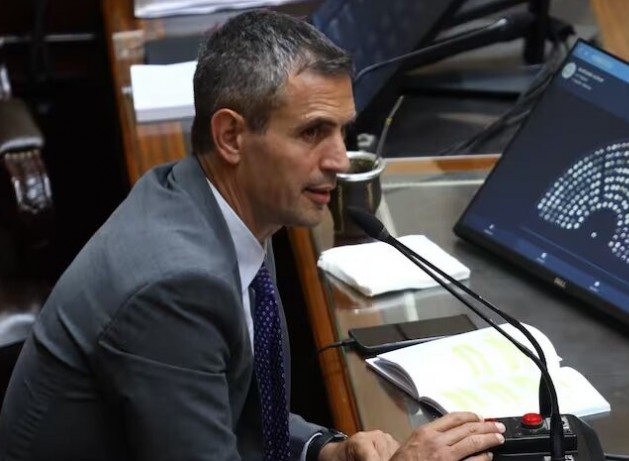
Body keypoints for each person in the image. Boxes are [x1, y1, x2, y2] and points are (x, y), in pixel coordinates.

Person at [0, 9, 505, 461]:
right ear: (231, 136)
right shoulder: (174, 286)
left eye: (342, 130)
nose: (339, 160)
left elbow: (233, 405)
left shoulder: (222, 203)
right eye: (312, 132)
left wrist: (322, 450)